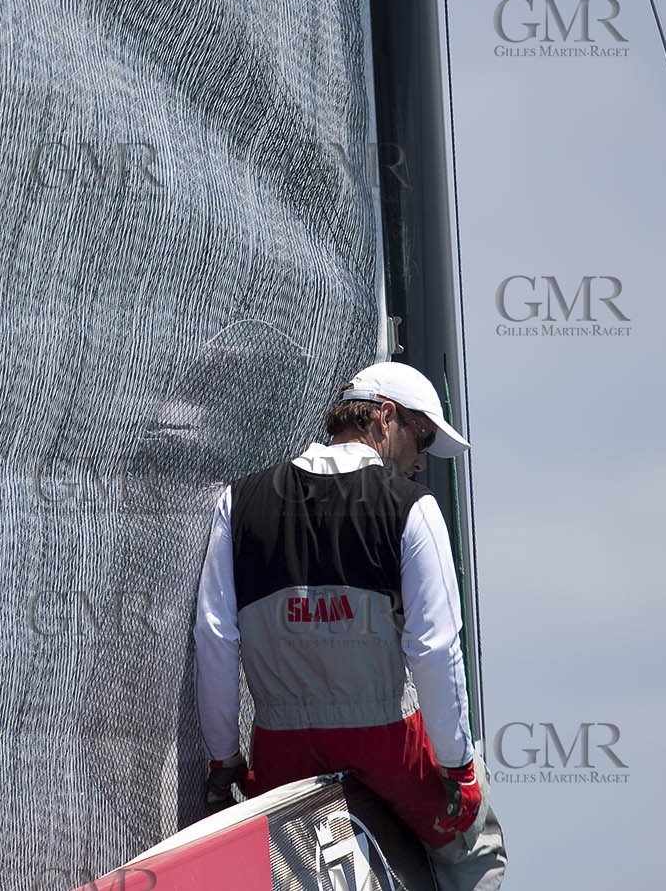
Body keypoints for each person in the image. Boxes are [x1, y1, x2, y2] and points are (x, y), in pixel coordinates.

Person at [192, 361, 507, 891]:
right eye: (422, 436)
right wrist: (459, 769)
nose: (421, 461)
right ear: (386, 418)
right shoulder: (413, 508)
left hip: (281, 750)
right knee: (476, 847)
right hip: (387, 745)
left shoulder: (237, 501)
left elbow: (215, 639)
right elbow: (434, 650)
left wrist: (224, 760)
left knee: (292, 872)